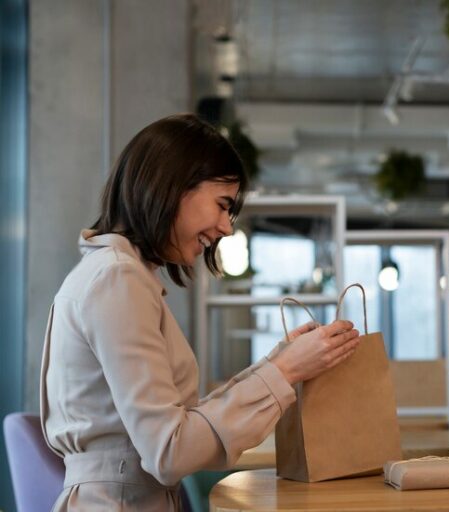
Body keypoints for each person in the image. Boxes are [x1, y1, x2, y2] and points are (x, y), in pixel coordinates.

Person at [40, 114, 361, 511]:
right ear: (172, 186)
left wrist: (277, 362)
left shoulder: (117, 275)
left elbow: (178, 428)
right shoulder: (118, 281)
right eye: (222, 205)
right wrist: (285, 372)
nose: (227, 227)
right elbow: (169, 453)